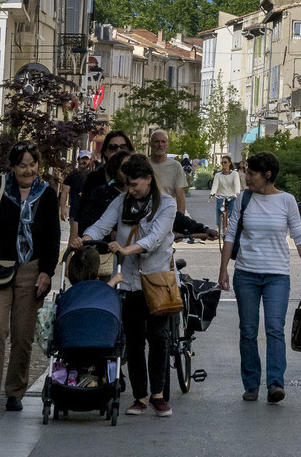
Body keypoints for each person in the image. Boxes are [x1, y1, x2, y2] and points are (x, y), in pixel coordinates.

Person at [83, 152, 179, 416]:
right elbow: (102, 226)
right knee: (134, 341)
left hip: (157, 279)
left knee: (158, 338)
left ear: (148, 179)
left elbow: (156, 239)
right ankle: (140, 396)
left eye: (135, 184)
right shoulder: (122, 201)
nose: (130, 189)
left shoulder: (167, 204)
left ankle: (158, 393)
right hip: (129, 282)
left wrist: (126, 250)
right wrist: (85, 238)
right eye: (127, 184)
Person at [218, 152, 301, 404]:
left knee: (274, 329)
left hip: (277, 277)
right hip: (246, 274)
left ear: (268, 175)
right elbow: (230, 235)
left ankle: (275, 383)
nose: (247, 177)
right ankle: (251, 384)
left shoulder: (287, 201)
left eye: (251, 174)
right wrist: (223, 270)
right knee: (248, 331)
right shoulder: (243, 199)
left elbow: (299, 238)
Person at [0, 144, 60, 413]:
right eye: (23, 164)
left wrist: (47, 270)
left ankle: (15, 392)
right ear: (13, 166)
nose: (28, 170)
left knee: (23, 335)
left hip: (31, 269)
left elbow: (52, 235)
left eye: (32, 164)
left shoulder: (46, 193)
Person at [68, 129, 134, 267]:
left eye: (123, 147)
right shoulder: (96, 180)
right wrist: (76, 244)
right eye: (113, 147)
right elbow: (82, 216)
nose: (118, 151)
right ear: (105, 151)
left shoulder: (139, 180)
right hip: (98, 247)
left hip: (130, 250)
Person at [147, 127, 189, 217]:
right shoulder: (144, 164)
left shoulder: (176, 166)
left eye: (163, 141)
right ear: (151, 144)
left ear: (167, 145)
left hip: (166, 215)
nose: (160, 145)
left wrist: (180, 221)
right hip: (145, 216)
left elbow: (180, 197)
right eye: (156, 141)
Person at [210, 152, 241, 236]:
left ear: (229, 163)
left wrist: (237, 193)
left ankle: (231, 227)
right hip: (221, 195)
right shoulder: (218, 175)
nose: (223, 164)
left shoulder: (234, 174)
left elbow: (236, 184)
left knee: (231, 213)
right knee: (219, 209)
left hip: (231, 196)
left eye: (225, 162)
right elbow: (215, 185)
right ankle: (219, 227)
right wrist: (212, 193)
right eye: (222, 162)